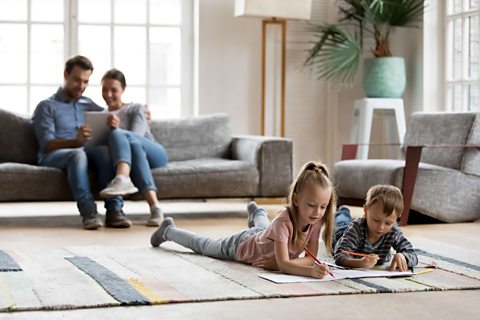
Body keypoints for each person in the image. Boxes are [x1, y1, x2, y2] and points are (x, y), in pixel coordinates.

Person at [150, 161, 337, 279]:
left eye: (323, 206)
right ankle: (168, 230)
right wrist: (306, 270)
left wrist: (285, 264)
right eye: (312, 205)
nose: (318, 212)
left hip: (263, 238)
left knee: (264, 230)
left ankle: (257, 212)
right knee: (204, 246)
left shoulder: (315, 221)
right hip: (241, 245)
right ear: (296, 200)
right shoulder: (283, 222)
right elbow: (286, 265)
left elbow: (306, 258)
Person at [31, 55, 133, 230]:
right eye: (77, 80)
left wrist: (135, 114)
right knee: (78, 153)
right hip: (54, 156)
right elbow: (46, 145)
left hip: (84, 152)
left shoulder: (89, 104)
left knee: (103, 152)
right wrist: (75, 141)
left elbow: (115, 112)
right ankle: (89, 212)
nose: (81, 86)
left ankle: (115, 210)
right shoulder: (47, 106)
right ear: (65, 74)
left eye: (86, 82)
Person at [98, 68, 168, 227]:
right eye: (104, 90)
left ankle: (122, 177)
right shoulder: (101, 116)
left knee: (126, 138)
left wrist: (115, 130)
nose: (108, 94)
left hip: (154, 154)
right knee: (135, 148)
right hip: (137, 156)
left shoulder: (135, 108)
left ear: (123, 89)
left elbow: (136, 135)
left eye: (113, 90)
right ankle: (155, 207)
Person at [333, 185, 418, 271]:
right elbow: (340, 256)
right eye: (376, 220)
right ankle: (343, 211)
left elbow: (412, 254)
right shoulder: (356, 228)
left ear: (396, 218)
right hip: (342, 234)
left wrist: (403, 256)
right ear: (366, 211)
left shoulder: (394, 232)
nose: (381, 227)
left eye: (388, 223)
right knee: (341, 222)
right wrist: (360, 263)